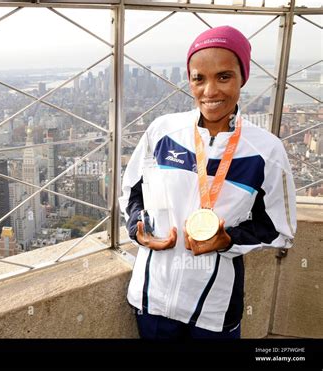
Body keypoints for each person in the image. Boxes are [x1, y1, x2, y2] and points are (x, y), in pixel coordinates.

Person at [119, 25, 297, 339]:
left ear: (243, 76)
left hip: (213, 313)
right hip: (151, 299)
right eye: (199, 78)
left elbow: (280, 230)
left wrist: (227, 240)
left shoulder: (266, 152)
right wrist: (138, 229)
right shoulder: (162, 132)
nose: (210, 91)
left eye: (224, 77)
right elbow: (132, 192)